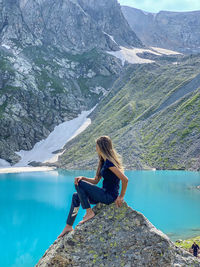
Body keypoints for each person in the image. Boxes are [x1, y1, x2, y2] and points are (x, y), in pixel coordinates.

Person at [58, 135, 129, 238]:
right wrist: (83, 177)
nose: (96, 148)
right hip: (103, 194)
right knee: (75, 196)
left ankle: (89, 212)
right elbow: (95, 181)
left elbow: (125, 180)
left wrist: (121, 196)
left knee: (79, 184)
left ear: (101, 147)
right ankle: (69, 226)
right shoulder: (103, 162)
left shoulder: (109, 163)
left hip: (109, 196)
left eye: (96, 146)